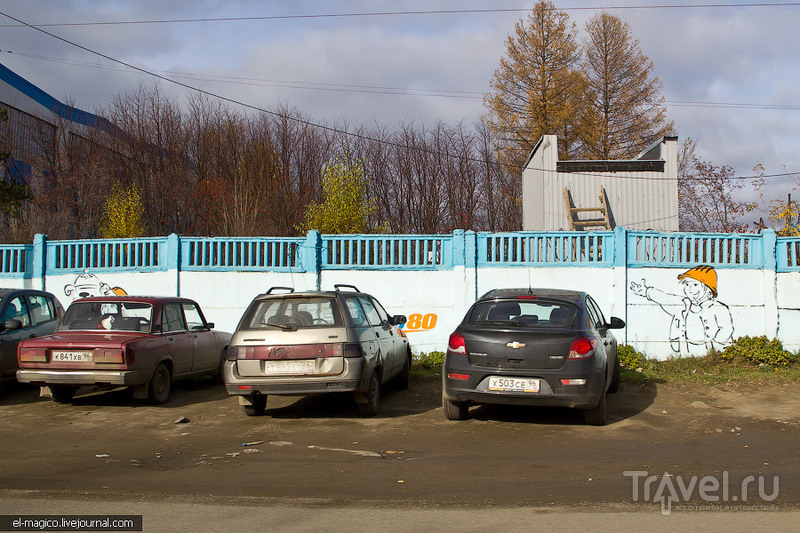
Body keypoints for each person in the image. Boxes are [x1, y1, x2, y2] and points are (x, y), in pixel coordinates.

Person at [630, 265, 734, 356]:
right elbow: (664, 298)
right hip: (688, 349)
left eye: (695, 285)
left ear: (708, 288)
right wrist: (646, 291)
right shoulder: (684, 305)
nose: (690, 289)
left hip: (712, 351)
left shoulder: (718, 308)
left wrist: (716, 345)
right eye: (687, 284)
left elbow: (726, 329)